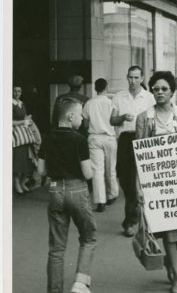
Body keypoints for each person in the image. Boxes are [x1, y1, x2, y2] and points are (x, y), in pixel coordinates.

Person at [136, 71, 177, 293]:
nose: (159, 92)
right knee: (169, 228)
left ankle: (170, 262)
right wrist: (138, 185)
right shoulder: (145, 117)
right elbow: (138, 153)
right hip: (156, 182)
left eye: (164, 89)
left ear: (172, 91)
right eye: (156, 89)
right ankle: (176, 275)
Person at [37, 98, 97, 293]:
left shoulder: (47, 137)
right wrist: (94, 169)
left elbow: (41, 171)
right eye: (80, 115)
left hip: (55, 190)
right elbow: (87, 173)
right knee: (88, 238)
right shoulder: (79, 139)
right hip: (77, 189)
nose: (82, 118)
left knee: (56, 248)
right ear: (71, 116)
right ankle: (80, 283)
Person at [110, 65, 156, 237]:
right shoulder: (119, 97)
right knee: (126, 179)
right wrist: (122, 117)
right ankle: (134, 216)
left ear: (142, 78)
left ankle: (134, 220)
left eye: (137, 77)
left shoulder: (149, 98)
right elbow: (112, 120)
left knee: (143, 179)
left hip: (143, 139)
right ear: (127, 77)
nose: (133, 81)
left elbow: (155, 121)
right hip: (125, 140)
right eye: (130, 77)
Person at [83, 78, 119, 213]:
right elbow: (115, 121)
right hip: (109, 138)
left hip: (94, 138)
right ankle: (112, 195)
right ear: (107, 87)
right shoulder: (111, 103)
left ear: (95, 88)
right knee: (111, 168)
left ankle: (100, 201)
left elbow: (85, 124)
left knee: (97, 171)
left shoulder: (89, 103)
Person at [12, 85, 36, 194]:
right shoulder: (10, 103)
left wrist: (27, 120)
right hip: (16, 135)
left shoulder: (22, 103)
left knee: (27, 160)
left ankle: (22, 182)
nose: (17, 93)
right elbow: (8, 121)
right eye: (15, 91)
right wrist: (23, 122)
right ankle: (16, 183)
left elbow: (24, 117)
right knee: (18, 160)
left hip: (24, 135)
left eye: (19, 91)